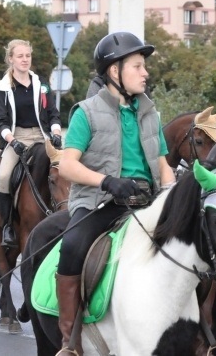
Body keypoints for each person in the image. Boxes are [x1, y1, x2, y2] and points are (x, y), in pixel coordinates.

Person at [54, 31, 176, 355]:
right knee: (73, 245)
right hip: (99, 202)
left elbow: (164, 167)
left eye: (144, 66)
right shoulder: (86, 112)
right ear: (114, 71)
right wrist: (107, 181)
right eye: (137, 66)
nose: (145, 72)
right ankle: (69, 340)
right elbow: (67, 166)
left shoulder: (151, 114)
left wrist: (173, 196)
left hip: (145, 202)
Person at [0, 39, 62, 248]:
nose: (24, 60)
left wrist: (56, 132)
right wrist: (12, 142)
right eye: (20, 56)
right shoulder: (3, 87)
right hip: (17, 137)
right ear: (11, 59)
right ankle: (7, 227)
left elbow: (53, 114)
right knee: (3, 177)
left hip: (42, 136)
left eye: (27, 56)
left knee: (64, 169)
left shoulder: (42, 85)